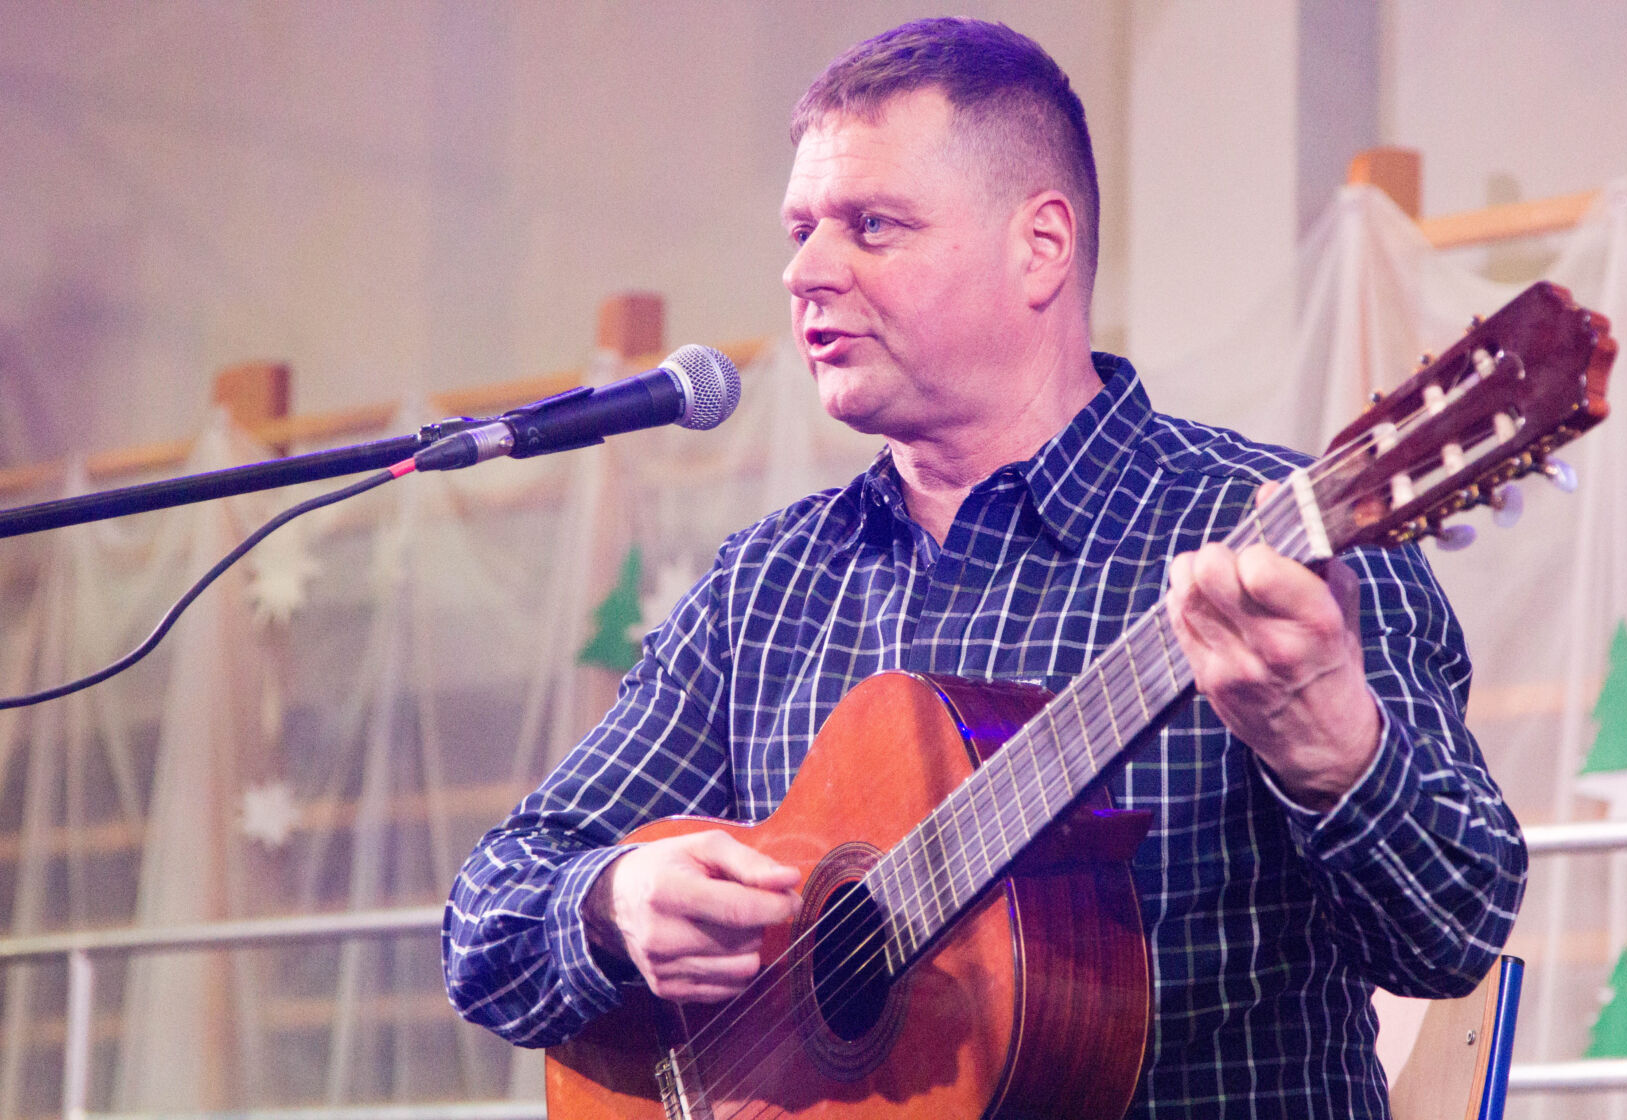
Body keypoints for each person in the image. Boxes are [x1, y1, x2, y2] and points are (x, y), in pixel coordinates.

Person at [443, 17, 1526, 1117]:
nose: (805, 272)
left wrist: (1332, 746)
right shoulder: (766, 586)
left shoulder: (1271, 543)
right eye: (801, 230)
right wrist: (613, 901)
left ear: (1040, 246)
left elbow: (1454, 933)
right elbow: (488, 916)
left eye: (873, 225)